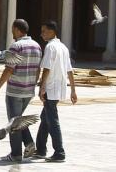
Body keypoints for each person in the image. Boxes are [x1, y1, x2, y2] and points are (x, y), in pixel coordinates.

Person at [0, 18, 42, 163]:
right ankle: (30, 144)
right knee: (18, 120)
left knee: (13, 123)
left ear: (18, 30)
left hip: (15, 91)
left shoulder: (15, 46)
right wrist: (33, 84)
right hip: (28, 91)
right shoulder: (37, 46)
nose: (12, 32)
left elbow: (8, 70)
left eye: (13, 29)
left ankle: (16, 154)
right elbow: (38, 69)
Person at [35, 20, 77, 162]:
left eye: (44, 31)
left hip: (50, 88)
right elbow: (70, 70)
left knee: (52, 120)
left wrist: (42, 87)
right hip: (59, 89)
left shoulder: (50, 47)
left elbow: (46, 68)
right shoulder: (63, 47)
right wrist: (73, 90)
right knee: (45, 118)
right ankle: (40, 149)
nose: (42, 34)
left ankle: (59, 152)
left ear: (52, 31)